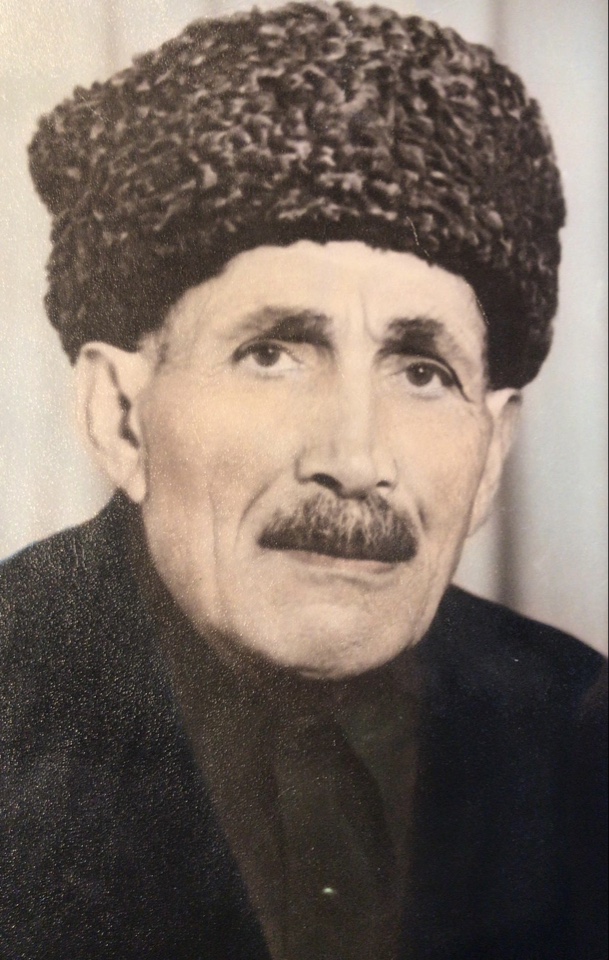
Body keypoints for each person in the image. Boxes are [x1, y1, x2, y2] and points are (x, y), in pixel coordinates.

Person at [0, 3, 605, 958]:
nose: (354, 460)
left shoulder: (577, 729)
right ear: (120, 416)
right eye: (272, 354)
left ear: (491, 453)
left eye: (422, 372)